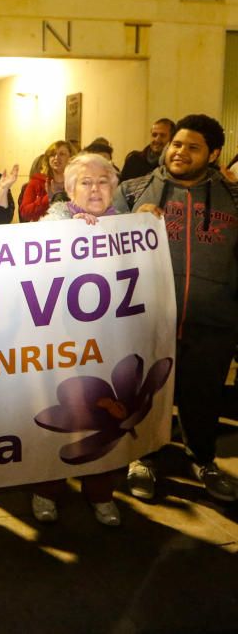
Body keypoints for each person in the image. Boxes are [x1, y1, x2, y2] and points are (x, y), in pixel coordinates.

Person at [113, 114, 238, 503]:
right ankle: (143, 459)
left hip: (213, 323)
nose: (180, 152)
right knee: (145, 395)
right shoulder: (133, 190)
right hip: (148, 321)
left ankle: (202, 459)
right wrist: (126, 226)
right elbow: (96, 244)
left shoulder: (234, 197)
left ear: (214, 154)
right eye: (177, 144)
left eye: (193, 147)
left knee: (204, 396)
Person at [32, 153, 127, 526]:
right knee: (62, 417)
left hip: (113, 343)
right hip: (64, 345)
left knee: (109, 419)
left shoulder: (128, 227)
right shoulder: (54, 222)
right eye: (85, 182)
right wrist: (68, 232)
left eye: (103, 182)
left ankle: (101, 494)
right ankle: (46, 490)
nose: (95, 189)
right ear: (70, 189)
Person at [18, 140, 75, 223]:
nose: (56, 157)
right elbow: (25, 213)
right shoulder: (36, 182)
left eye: (61, 154)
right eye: (52, 154)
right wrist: (48, 198)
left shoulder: (77, 183)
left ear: (70, 158)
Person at [120, 118, 175, 184]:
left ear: (172, 139)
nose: (157, 139)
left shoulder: (173, 165)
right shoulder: (133, 159)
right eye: (154, 135)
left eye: (162, 135)